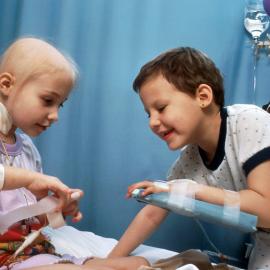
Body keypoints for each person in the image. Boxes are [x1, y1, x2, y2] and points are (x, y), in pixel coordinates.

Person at [108, 47, 270, 270]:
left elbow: (267, 209)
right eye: (149, 114)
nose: (152, 122)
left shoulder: (249, 122)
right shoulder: (191, 158)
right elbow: (153, 213)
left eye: (161, 108)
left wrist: (192, 190)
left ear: (203, 96)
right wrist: (109, 262)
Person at [0, 37, 149, 270]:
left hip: (34, 252)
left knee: (138, 263)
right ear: (6, 85)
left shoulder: (27, 148)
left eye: (59, 105)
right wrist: (33, 179)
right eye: (47, 100)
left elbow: (32, 222)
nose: (55, 115)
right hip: (5, 259)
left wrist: (57, 209)